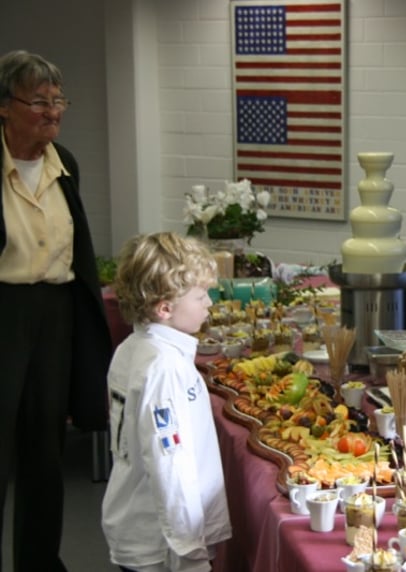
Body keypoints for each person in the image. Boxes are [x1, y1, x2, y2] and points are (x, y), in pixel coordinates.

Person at [0, 50, 112, 570]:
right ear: (5, 106)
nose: (52, 112)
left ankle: (40, 562)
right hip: (5, 311)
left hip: (56, 314)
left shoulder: (64, 162)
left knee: (45, 451)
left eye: (58, 100)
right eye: (39, 102)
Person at [101, 232, 232, 572]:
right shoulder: (164, 368)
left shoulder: (131, 349)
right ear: (165, 308)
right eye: (200, 296)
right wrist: (189, 551)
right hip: (161, 544)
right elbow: (170, 464)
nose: (209, 304)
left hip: (142, 527)